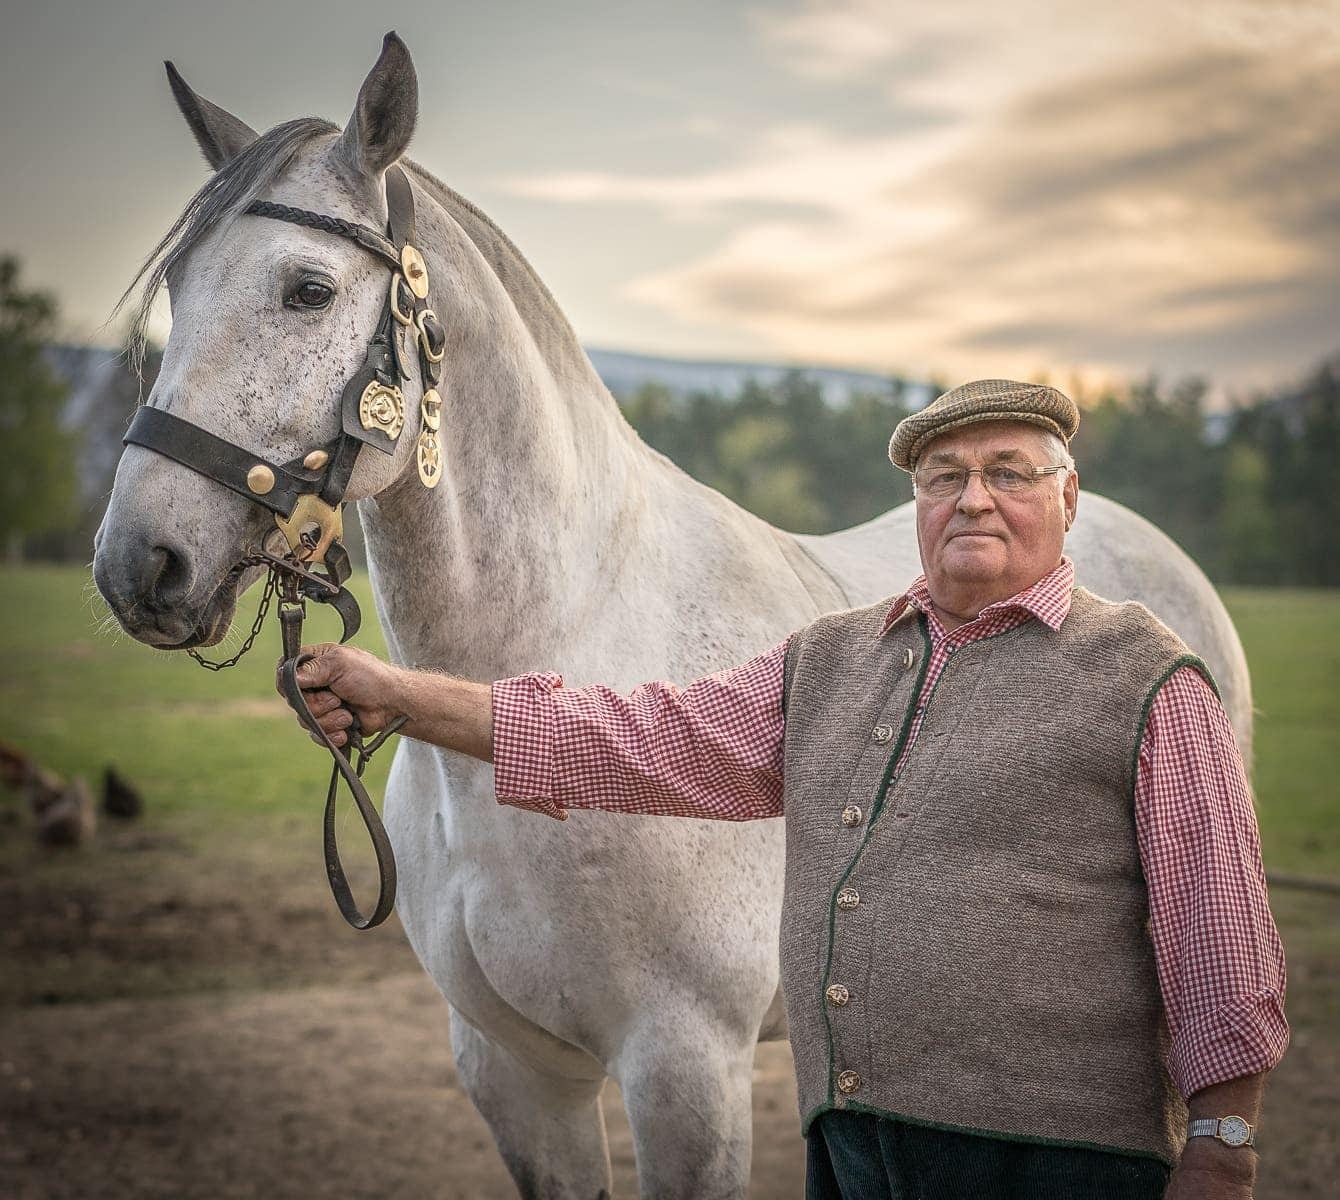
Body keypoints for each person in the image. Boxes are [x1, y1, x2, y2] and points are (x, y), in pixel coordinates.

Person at [287, 379, 1287, 1200]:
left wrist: (1222, 1140)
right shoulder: (831, 660)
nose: (972, 498)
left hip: (1062, 1161)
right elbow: (642, 738)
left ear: (1066, 500)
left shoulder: (1145, 678)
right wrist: (403, 697)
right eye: (944, 477)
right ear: (915, 510)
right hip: (855, 1145)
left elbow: (1216, 928)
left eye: (1007, 473)